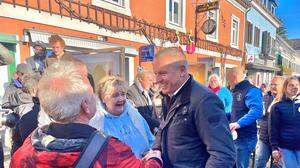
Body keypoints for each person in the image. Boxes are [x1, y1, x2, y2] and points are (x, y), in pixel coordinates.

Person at [10, 60, 162, 168]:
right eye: (92, 94)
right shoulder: (111, 151)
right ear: (85, 106)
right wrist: (155, 158)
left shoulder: (27, 150)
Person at [152, 47, 236, 167]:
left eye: (163, 73)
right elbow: (163, 127)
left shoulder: (204, 100)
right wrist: (155, 150)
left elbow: (223, 154)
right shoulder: (169, 95)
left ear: (182, 71)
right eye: (156, 73)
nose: (157, 79)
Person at [90, 75, 155, 158]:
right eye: (115, 95)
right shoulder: (97, 122)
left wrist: (150, 155)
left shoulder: (134, 115)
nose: (121, 99)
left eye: (123, 94)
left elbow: (151, 140)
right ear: (103, 98)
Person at [228, 67, 263, 168]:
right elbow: (236, 112)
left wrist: (238, 123)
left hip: (245, 139)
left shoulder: (252, 90)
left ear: (234, 78)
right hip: (235, 138)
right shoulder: (236, 91)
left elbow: (257, 111)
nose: (229, 83)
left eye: (229, 80)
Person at [269, 76, 300, 168]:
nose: (294, 87)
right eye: (291, 85)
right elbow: (273, 129)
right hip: (286, 147)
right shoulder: (277, 106)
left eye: (297, 85)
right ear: (285, 87)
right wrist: (274, 148)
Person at [254, 76, 284, 168]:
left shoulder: (286, 100)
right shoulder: (266, 97)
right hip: (264, 138)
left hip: (280, 141)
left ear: (283, 86)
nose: (273, 86)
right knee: (259, 163)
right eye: (271, 84)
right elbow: (261, 114)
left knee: (277, 165)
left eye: (276, 84)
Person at [11, 73, 41, 154]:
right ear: (34, 90)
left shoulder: (18, 100)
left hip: (19, 153)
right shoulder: (30, 108)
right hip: (30, 155)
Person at [127, 67, 160, 133]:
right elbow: (140, 113)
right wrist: (158, 124)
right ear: (140, 80)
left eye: (152, 81)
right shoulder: (132, 92)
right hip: (141, 130)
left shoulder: (147, 91)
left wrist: (155, 91)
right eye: (149, 80)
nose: (152, 83)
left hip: (150, 128)